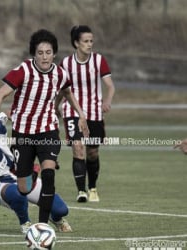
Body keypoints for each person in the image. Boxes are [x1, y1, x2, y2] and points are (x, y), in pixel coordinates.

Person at [0, 29, 89, 224]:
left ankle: (42, 225)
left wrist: (81, 115)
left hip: (48, 131)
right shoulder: (23, 71)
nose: (44, 57)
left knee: (49, 174)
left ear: (54, 53)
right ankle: (32, 170)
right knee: (24, 187)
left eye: (48, 52)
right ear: (34, 54)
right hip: (22, 134)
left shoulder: (59, 73)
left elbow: (67, 92)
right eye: (40, 53)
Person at [60, 25, 115, 202]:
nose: (89, 44)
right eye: (85, 41)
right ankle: (81, 191)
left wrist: (107, 100)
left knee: (92, 152)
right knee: (78, 148)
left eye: (91, 41)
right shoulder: (66, 63)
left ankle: (92, 187)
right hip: (72, 111)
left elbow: (110, 85)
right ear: (76, 43)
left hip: (94, 113)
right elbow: (61, 89)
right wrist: (54, 108)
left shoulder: (99, 61)